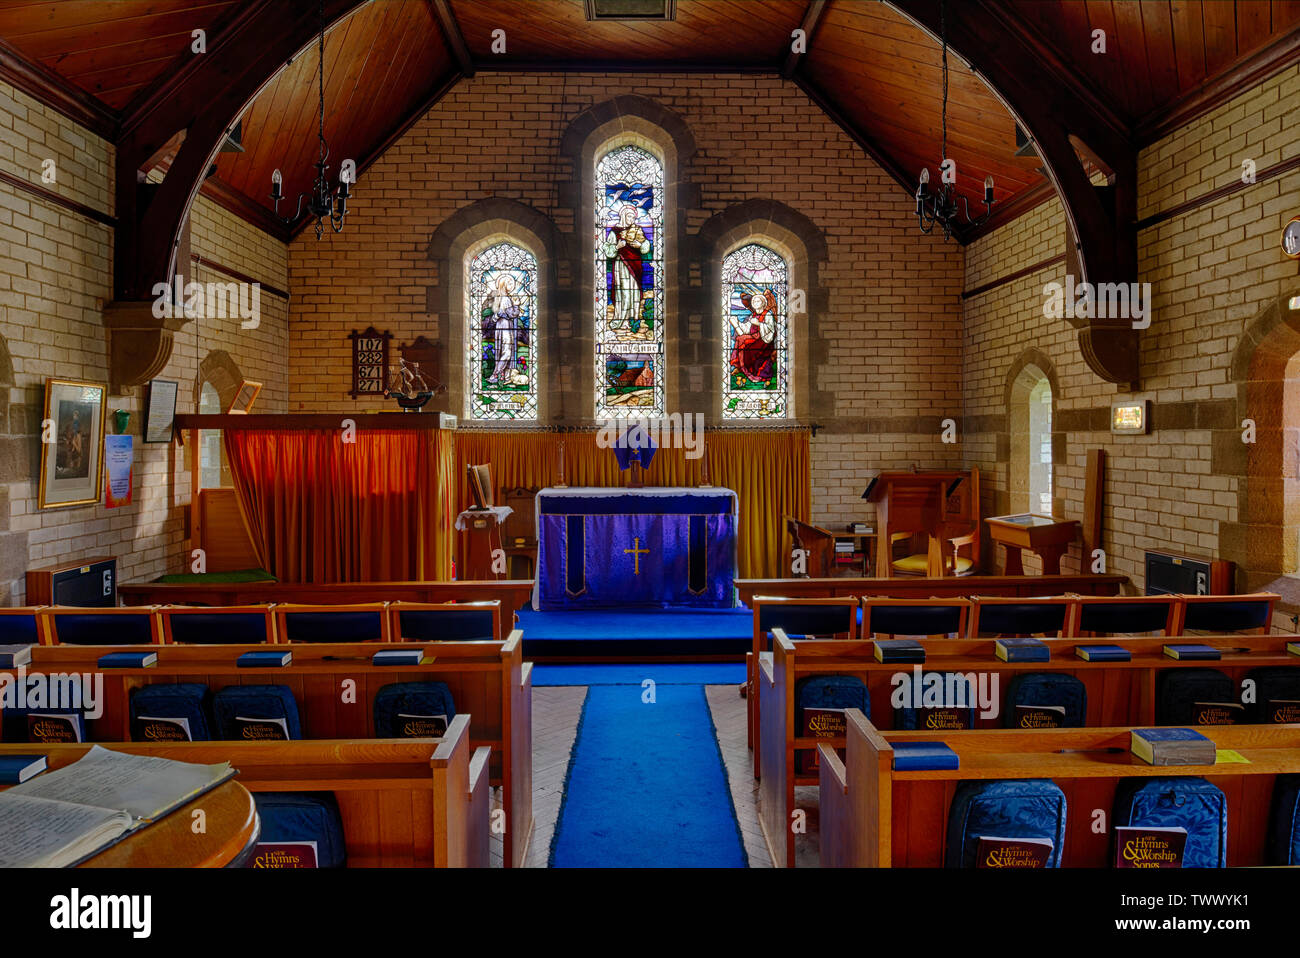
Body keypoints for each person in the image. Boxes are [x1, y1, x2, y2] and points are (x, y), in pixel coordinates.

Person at [602, 204, 652, 337]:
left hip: (635, 266)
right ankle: (621, 320)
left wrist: (640, 245)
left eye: (634, 217)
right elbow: (608, 250)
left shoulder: (637, 230)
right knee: (623, 293)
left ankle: (634, 319)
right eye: (630, 216)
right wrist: (617, 246)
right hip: (621, 266)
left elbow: (646, 245)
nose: (632, 219)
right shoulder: (615, 231)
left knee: (635, 293)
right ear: (623, 216)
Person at [728, 288, 778, 385]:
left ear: (763, 303)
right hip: (754, 338)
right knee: (740, 338)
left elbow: (771, 330)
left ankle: (741, 367)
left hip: (764, 341)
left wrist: (760, 324)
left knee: (742, 340)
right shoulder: (753, 315)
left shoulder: (767, 315)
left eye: (758, 300)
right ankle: (741, 367)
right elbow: (747, 329)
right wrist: (736, 323)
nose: (755, 302)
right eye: (754, 301)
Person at [483, 274, 522, 385]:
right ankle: (495, 374)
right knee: (507, 352)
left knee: (504, 351)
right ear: (504, 285)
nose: (512, 285)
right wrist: (517, 306)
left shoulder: (500, 298)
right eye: (509, 283)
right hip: (505, 327)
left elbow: (497, 316)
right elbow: (511, 314)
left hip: (501, 327)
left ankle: (504, 377)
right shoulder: (505, 299)